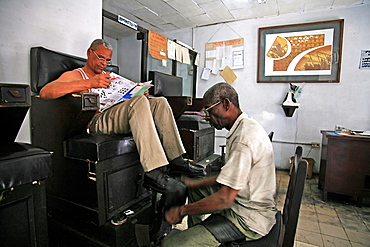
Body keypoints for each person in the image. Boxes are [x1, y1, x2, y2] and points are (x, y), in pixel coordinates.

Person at [40, 39, 205, 197]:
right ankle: (153, 173)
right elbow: (46, 92)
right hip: (97, 120)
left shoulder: (110, 77)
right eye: (100, 57)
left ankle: (176, 160)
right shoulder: (77, 74)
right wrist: (90, 83)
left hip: (117, 113)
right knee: (139, 102)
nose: (104, 63)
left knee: (159, 102)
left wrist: (139, 92)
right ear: (89, 53)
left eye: (107, 60)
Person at [162, 82, 277, 246]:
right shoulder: (244, 127)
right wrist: (195, 183)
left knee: (171, 245)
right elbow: (228, 178)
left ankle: (193, 241)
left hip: (248, 219)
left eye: (209, 110)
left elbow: (224, 199)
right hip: (245, 202)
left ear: (226, 104)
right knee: (196, 190)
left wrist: (182, 211)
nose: (207, 117)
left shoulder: (244, 139)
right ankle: (197, 237)